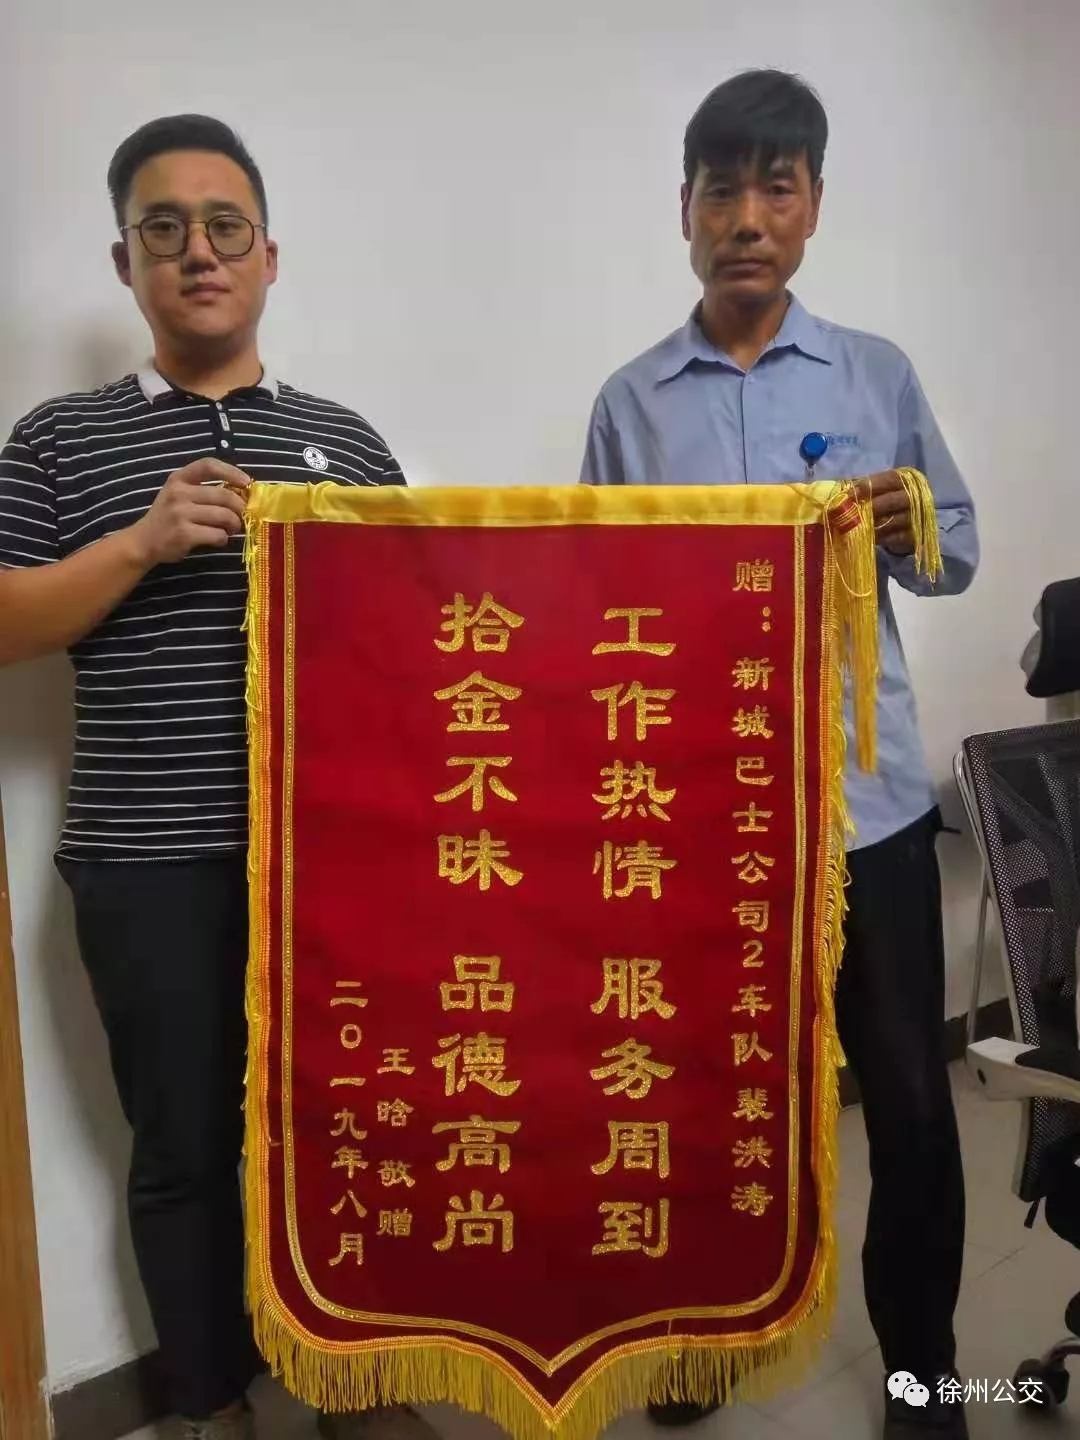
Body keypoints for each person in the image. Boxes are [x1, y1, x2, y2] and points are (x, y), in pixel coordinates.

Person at [0, 115, 438, 1440]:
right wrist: (141, 543)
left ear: (268, 256)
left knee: (348, 1128)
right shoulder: (61, 438)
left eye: (225, 225)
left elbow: (427, 638)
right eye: (165, 228)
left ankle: (355, 1386)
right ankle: (204, 1405)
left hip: (335, 865)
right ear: (126, 262)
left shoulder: (343, 439)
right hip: (148, 862)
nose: (199, 251)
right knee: (184, 1148)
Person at [580, 70, 976, 1440]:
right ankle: (700, 1341)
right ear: (684, 210)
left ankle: (924, 1377)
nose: (746, 217)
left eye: (776, 187)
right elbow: (596, 606)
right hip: (702, 823)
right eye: (721, 190)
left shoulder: (877, 375)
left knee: (911, 1102)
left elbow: (958, 551)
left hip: (870, 814)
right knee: (700, 1099)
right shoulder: (630, 405)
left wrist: (907, 522)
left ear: (811, 207)